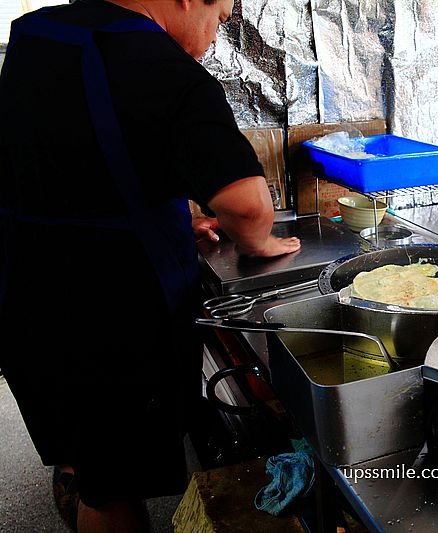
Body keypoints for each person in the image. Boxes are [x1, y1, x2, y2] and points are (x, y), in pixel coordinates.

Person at [0, 0, 300, 531]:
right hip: (108, 322)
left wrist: (155, 214)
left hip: (25, 300)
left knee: (83, 453)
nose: (221, 26)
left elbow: (72, 160)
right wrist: (257, 240)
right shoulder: (169, 71)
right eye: (222, 12)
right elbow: (248, 207)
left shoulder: (36, 35)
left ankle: (80, 480)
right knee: (114, 491)